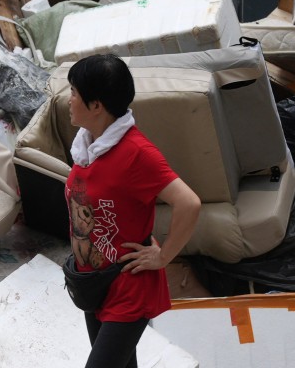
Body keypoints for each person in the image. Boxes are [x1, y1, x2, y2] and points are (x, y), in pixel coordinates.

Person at [65, 54, 201, 368]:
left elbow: (188, 203)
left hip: (128, 288)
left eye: (74, 92)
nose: (69, 100)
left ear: (96, 105)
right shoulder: (87, 146)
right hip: (93, 282)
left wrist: (163, 256)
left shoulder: (136, 153)